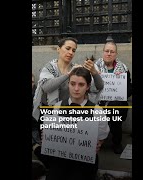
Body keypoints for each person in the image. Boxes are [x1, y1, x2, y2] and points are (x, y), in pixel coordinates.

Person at [32, 37, 104, 166]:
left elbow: (98, 86)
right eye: (68, 48)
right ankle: (36, 147)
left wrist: (94, 72)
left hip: (71, 113)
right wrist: (67, 74)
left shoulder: (76, 69)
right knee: (53, 155)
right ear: (59, 49)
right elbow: (46, 87)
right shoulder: (49, 67)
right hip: (51, 113)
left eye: (74, 50)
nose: (71, 52)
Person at [44, 67, 110, 180]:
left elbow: (102, 136)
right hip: (60, 158)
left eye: (81, 85)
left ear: (88, 86)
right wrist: (47, 136)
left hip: (85, 161)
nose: (76, 89)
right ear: (68, 84)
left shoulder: (97, 111)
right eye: (73, 84)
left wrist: (99, 143)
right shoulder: (57, 107)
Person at [95, 41, 132, 154]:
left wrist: (120, 85)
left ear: (116, 54)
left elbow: (129, 89)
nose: (109, 54)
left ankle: (116, 142)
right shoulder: (94, 68)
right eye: (107, 51)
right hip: (99, 102)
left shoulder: (123, 69)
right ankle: (95, 140)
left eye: (112, 51)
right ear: (103, 52)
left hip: (116, 103)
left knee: (116, 108)